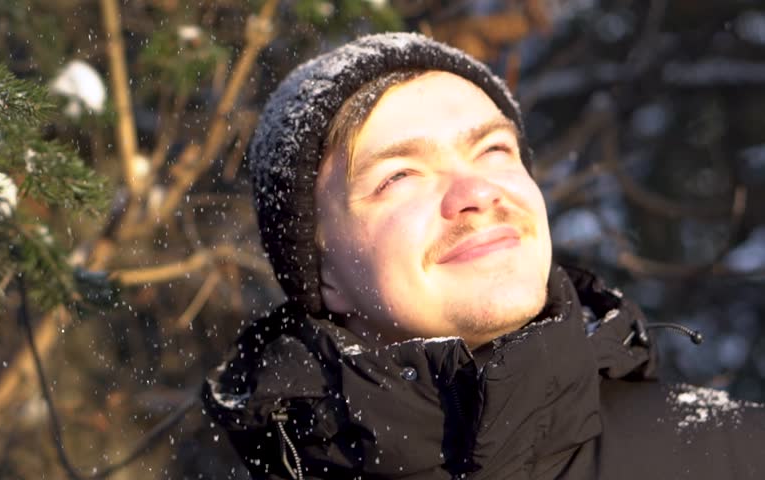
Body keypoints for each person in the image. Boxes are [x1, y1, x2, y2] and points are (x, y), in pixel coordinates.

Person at [202, 32, 765, 479]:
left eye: (493, 149)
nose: (476, 193)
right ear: (321, 273)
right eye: (400, 175)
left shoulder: (737, 456)